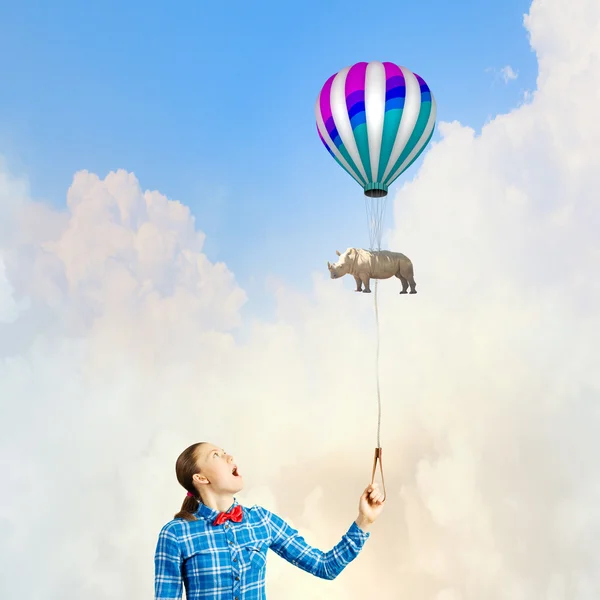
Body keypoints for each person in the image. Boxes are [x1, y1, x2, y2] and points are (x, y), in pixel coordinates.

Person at [154, 441, 385, 599]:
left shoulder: (261, 521)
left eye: (225, 451)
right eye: (216, 455)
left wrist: (364, 520)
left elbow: (324, 567)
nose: (229, 456)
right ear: (200, 477)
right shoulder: (175, 534)